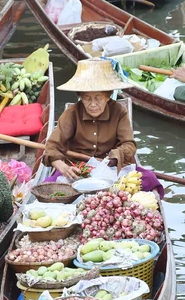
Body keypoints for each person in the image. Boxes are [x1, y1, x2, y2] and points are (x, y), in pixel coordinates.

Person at [43, 59, 164, 197]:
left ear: (107, 96)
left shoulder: (119, 112)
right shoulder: (72, 113)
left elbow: (129, 144)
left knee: (150, 179)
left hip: (111, 167)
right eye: (87, 98)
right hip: (78, 168)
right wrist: (64, 168)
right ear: (80, 97)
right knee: (47, 186)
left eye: (98, 98)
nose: (92, 104)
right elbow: (51, 148)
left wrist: (115, 156)